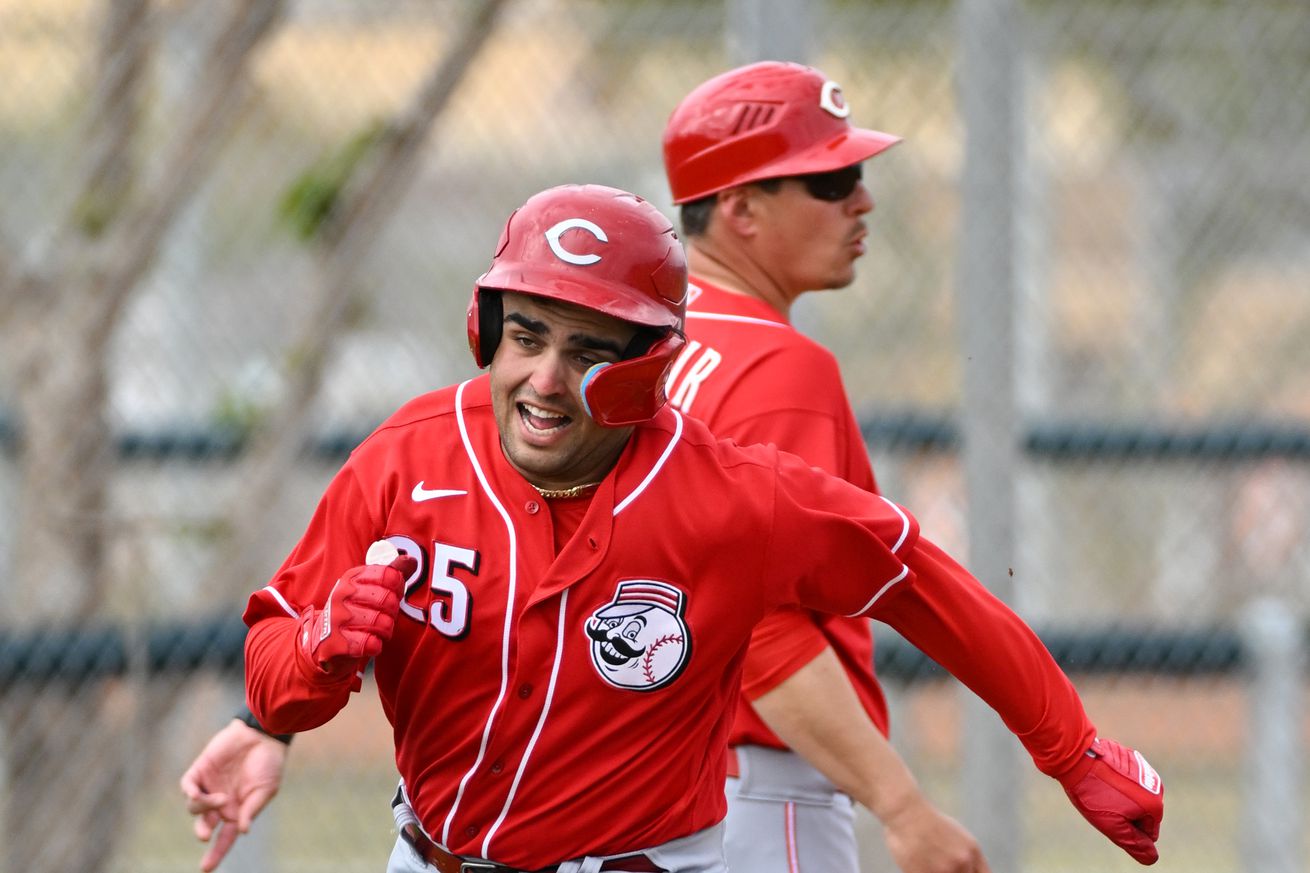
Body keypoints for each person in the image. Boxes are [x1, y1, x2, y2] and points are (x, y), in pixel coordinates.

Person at [210, 182, 1160, 873]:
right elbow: (275, 672)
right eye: (527, 336)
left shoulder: (739, 496)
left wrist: (1071, 752)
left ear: (652, 367)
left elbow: (927, 587)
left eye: (587, 351)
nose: (544, 378)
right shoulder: (406, 455)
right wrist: (317, 652)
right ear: (485, 328)